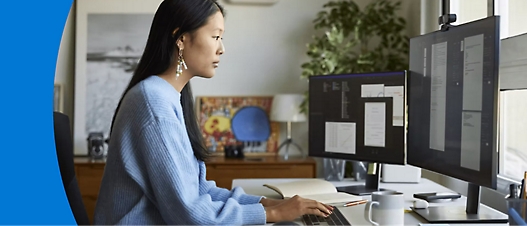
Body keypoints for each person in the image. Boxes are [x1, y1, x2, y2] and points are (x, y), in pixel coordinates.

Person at [93, 0, 333, 225]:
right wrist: (274, 213)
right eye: (216, 37)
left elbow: (199, 190)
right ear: (181, 38)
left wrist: (266, 202)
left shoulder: (167, 96)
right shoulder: (153, 102)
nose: (222, 49)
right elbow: (189, 215)